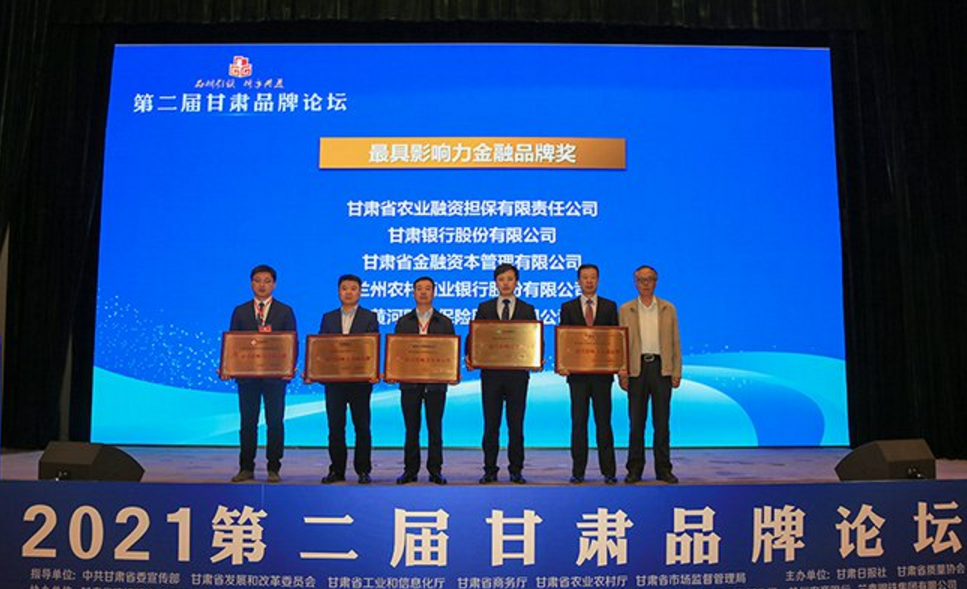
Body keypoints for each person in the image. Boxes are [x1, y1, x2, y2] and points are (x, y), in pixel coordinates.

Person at [469, 263, 537, 484]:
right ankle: (490, 469)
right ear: (495, 282)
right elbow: (474, 336)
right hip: (491, 376)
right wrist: (470, 356)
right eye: (501, 279)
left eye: (510, 279)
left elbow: (534, 338)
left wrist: (537, 357)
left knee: (516, 425)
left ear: (516, 282)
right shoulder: (485, 307)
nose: (506, 283)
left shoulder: (527, 309)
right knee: (491, 425)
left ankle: (516, 470)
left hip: (517, 376)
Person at [228, 264, 297, 484]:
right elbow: (233, 344)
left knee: (275, 422)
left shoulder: (285, 311)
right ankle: (246, 468)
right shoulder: (240, 311)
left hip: (275, 378)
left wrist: (289, 367)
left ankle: (273, 468)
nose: (262, 285)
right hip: (247, 378)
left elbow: (292, 342)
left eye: (267, 281)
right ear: (251, 284)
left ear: (274, 285)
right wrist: (229, 366)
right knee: (248, 423)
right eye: (257, 281)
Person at [618, 265, 682, 484]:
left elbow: (675, 341)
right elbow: (620, 344)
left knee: (662, 423)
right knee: (636, 423)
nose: (645, 283)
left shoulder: (668, 308)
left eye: (650, 279)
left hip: (661, 368)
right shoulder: (626, 309)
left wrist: (676, 370)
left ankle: (663, 469)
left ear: (656, 282)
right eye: (641, 280)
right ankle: (634, 469)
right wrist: (622, 373)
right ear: (635, 283)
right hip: (636, 369)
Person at [392, 276, 456, 485]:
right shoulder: (403, 322)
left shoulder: (444, 322)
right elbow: (397, 353)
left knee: (435, 428)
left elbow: (450, 353)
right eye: (419, 288)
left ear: (434, 293)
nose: (423, 292)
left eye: (427, 289)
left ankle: (435, 470)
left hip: (436, 384)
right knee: (411, 428)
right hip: (409, 384)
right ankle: (410, 470)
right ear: (413, 293)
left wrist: (451, 372)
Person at [558, 264, 618, 484]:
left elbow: (615, 340)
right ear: (578, 281)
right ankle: (578, 471)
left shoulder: (610, 306)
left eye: (593, 277)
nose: (589, 281)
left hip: (602, 377)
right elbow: (564, 339)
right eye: (585, 277)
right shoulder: (568, 307)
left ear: (598, 280)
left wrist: (618, 364)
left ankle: (609, 472)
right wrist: (563, 363)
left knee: (604, 424)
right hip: (577, 377)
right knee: (578, 424)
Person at [318, 274, 379, 484]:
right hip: (334, 383)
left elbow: (372, 348)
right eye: (344, 288)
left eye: (353, 288)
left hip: (360, 383)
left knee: (362, 427)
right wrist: (316, 371)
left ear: (360, 292)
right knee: (335, 427)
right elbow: (321, 348)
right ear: (338, 292)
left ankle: (363, 470)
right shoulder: (328, 318)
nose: (349, 292)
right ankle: (337, 470)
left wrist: (372, 371)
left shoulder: (369, 317)